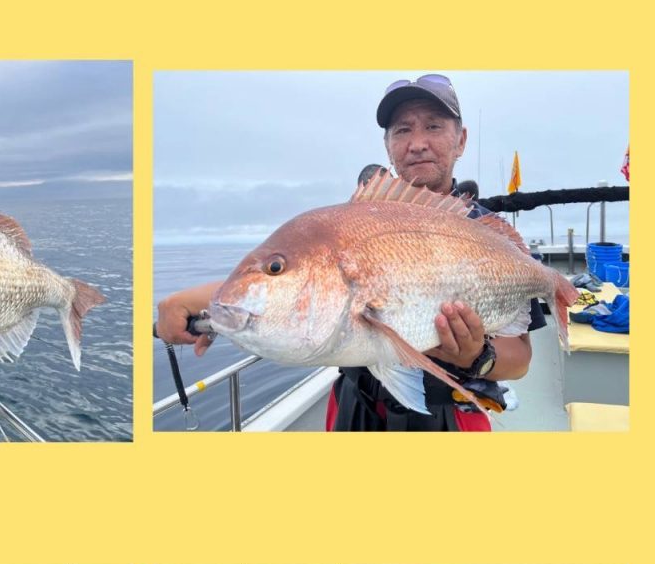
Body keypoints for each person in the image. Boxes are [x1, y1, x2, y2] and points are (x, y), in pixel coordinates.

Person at [155, 73, 547, 431]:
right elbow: (316, 283)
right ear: (388, 145)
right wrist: (192, 302)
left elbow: (521, 360)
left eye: (433, 126)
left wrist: (477, 357)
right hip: (355, 410)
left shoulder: (487, 233)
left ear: (460, 140)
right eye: (402, 129)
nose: (417, 143)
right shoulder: (356, 221)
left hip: (452, 418)